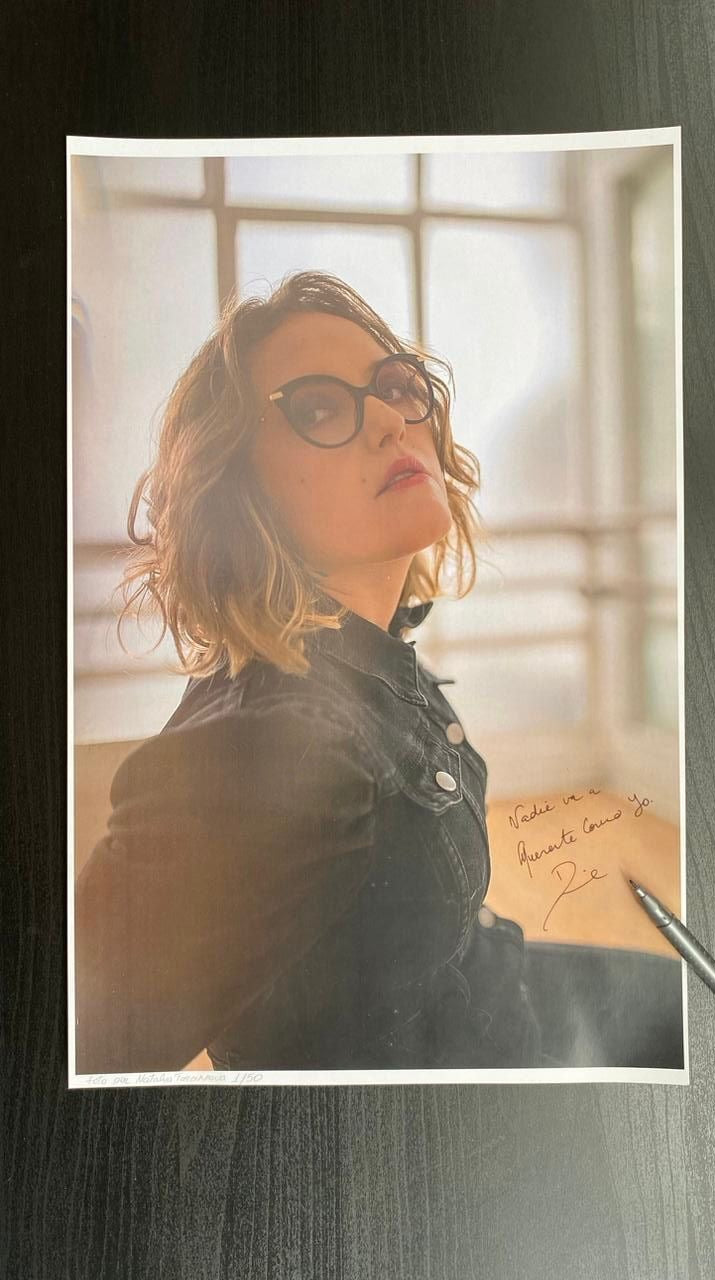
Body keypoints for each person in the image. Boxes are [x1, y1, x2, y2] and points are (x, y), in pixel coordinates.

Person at [75, 270, 542, 1074]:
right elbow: (74, 1052)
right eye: (319, 408)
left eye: (398, 387)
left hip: (498, 1011)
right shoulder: (274, 745)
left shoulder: (367, 655)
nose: (391, 421)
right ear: (240, 491)